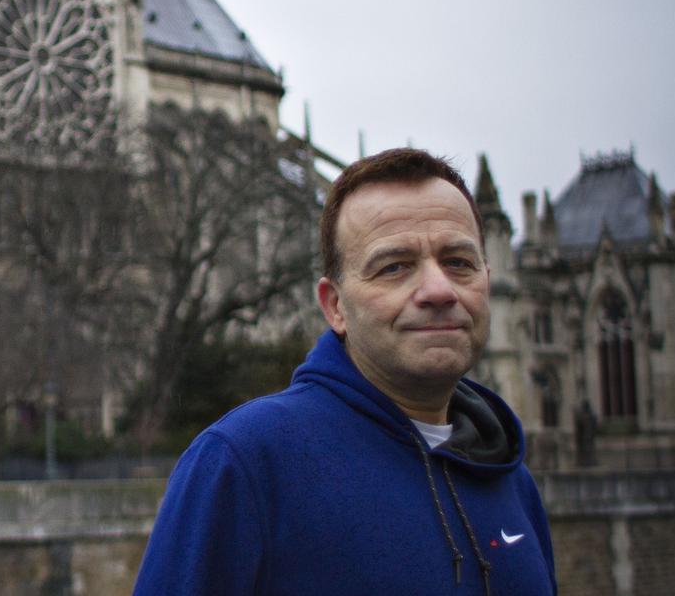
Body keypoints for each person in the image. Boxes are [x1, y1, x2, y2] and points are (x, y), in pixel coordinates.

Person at [132, 148, 556, 596]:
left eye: (458, 262)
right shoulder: (245, 463)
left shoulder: (510, 477)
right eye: (394, 267)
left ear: (488, 280)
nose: (438, 289)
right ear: (335, 306)